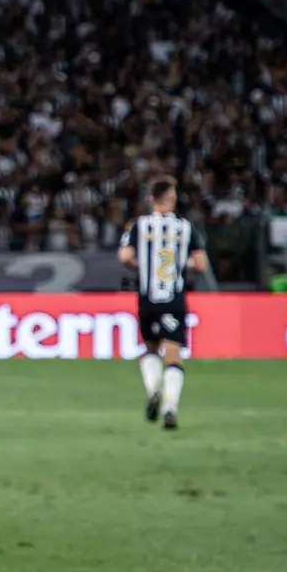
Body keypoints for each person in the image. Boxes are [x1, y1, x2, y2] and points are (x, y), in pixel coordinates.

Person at [117, 177, 208, 430]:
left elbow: (124, 257)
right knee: (173, 353)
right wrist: (179, 263)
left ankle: (152, 389)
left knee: (150, 349)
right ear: (172, 198)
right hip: (173, 298)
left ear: (150, 198)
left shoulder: (138, 225)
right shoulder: (186, 227)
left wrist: (143, 265)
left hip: (147, 298)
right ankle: (170, 407)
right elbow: (201, 265)